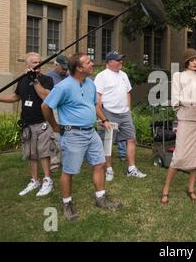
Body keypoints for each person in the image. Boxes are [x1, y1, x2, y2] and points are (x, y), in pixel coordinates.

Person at [41, 52, 121, 221]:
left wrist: (103, 119)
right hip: (73, 134)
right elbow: (45, 106)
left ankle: (101, 198)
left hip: (90, 132)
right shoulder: (63, 86)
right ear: (78, 68)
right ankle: (67, 203)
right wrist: (55, 126)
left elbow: (94, 105)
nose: (92, 64)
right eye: (88, 62)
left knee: (100, 163)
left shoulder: (90, 84)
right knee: (69, 171)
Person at [0, 52, 55, 197]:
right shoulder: (22, 80)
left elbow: (45, 96)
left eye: (39, 62)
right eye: (35, 62)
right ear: (27, 65)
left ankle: (47, 180)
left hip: (42, 122)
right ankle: (34, 180)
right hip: (27, 123)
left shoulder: (47, 79)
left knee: (43, 152)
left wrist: (35, 80)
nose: (38, 64)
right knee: (31, 154)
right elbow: (15, 97)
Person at [160, 48, 196, 204]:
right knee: (179, 156)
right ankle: (165, 190)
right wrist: (191, 103)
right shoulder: (178, 76)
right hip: (185, 121)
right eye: (192, 60)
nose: (195, 62)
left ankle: (191, 188)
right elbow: (176, 98)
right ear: (186, 62)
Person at [94, 51, 146, 181]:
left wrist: (128, 108)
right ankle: (109, 169)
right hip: (108, 113)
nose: (121, 62)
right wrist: (101, 116)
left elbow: (128, 92)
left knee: (131, 139)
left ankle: (131, 168)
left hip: (124, 113)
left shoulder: (123, 75)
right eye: (118, 60)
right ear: (110, 62)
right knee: (107, 143)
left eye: (121, 59)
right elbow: (97, 97)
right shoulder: (102, 76)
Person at [45, 54, 70, 172]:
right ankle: (54, 160)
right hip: (54, 109)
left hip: (66, 110)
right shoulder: (48, 77)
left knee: (67, 135)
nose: (65, 70)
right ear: (56, 65)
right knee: (54, 135)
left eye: (66, 68)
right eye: (63, 67)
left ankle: (66, 160)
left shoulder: (69, 77)